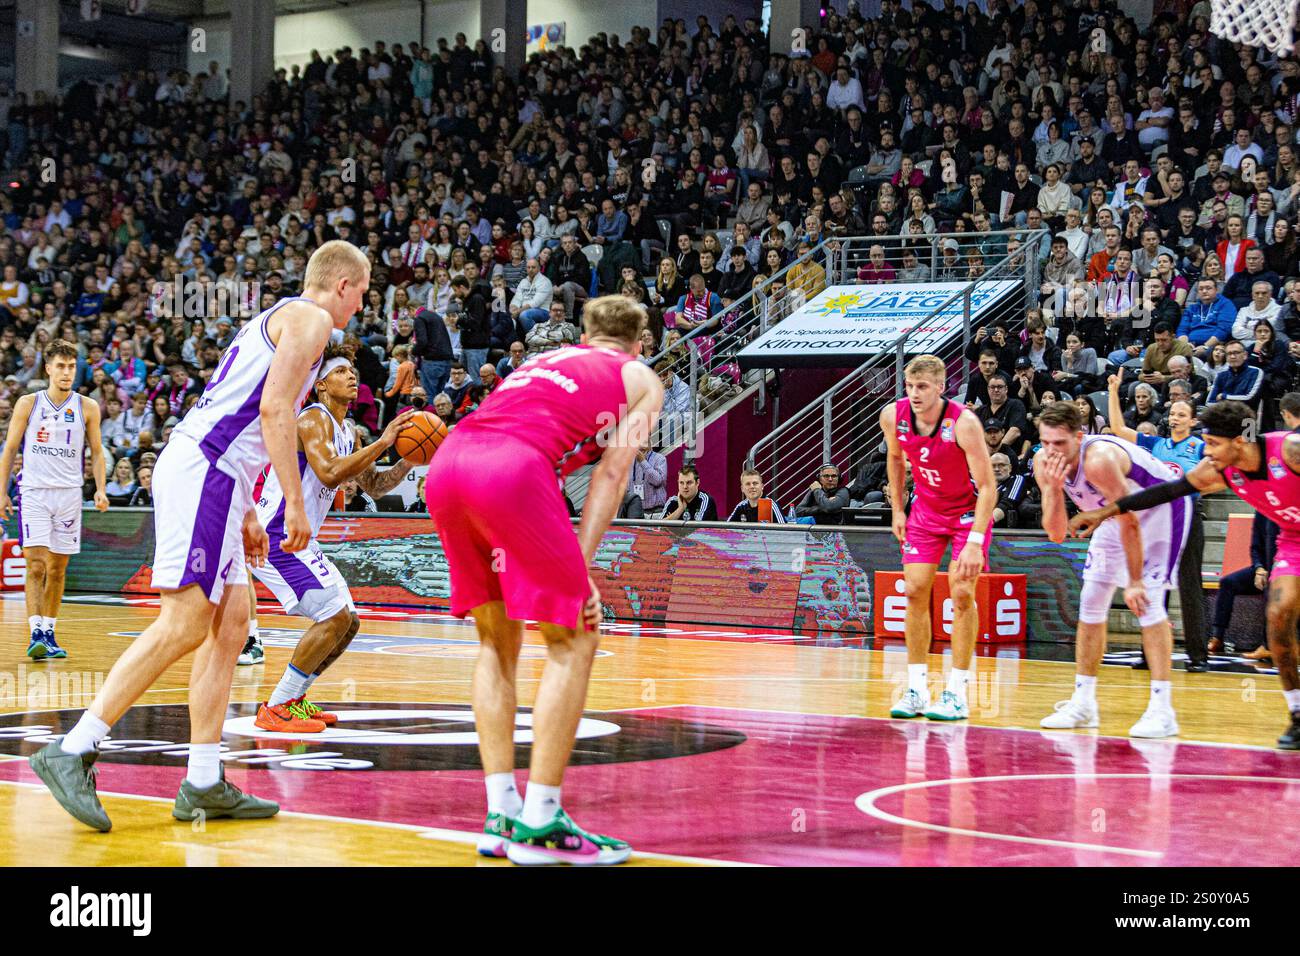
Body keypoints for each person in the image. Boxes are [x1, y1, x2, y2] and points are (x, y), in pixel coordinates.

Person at [28, 240, 367, 832]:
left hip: (221, 475)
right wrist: (290, 499)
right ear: (342, 284)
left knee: (232, 627)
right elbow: (273, 411)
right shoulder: (312, 319)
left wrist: (245, 512)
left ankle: (205, 780)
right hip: (206, 468)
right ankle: (73, 748)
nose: (362, 304)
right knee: (184, 623)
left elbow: (239, 410)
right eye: (362, 292)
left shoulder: (279, 316)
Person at [425, 295, 662, 864]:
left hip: (450, 463)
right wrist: (581, 565)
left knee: (496, 640)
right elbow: (612, 473)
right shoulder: (640, 376)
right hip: (512, 468)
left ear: (585, 334)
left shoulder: (545, 360)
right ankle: (542, 823)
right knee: (576, 636)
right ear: (639, 341)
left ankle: (502, 811)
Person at [1070, 401, 1300, 749]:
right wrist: (1106, 512)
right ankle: (1297, 714)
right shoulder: (1218, 470)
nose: (1206, 452)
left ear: (1239, 441)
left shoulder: (1290, 451)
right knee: (1278, 618)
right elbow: (1168, 491)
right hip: (1293, 541)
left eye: (1213, 444)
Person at [250, 346, 416, 732]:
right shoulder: (313, 418)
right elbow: (327, 472)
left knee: (349, 622)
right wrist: (385, 441)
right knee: (333, 616)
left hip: (300, 537)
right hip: (276, 532)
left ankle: (295, 698)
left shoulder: (348, 431)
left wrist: (411, 458)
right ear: (321, 384)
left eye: (353, 372)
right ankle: (276, 707)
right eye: (342, 371)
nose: (352, 376)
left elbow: (374, 485)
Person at [1034, 400, 1190, 738]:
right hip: (1110, 515)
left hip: (1159, 509)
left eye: (1059, 443)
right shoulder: (1043, 462)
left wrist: (1133, 580)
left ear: (1079, 436)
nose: (1051, 451)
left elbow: (1130, 519)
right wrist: (1052, 488)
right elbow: (1058, 533)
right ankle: (1084, 703)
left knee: (1146, 603)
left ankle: (1163, 710)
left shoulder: (1099, 460)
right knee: (1091, 599)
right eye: (1045, 443)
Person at [880, 354, 998, 721]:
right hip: (927, 511)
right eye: (910, 386)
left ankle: (957, 691)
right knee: (914, 590)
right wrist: (898, 510)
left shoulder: (963, 423)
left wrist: (977, 540)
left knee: (962, 593)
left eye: (923, 387)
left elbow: (989, 487)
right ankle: (916, 688)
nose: (914, 394)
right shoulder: (893, 416)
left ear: (940, 387)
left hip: (966, 514)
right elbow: (896, 462)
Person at [0, 340, 109, 659]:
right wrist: (2, 492)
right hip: (34, 491)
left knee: (59, 568)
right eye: (60, 366)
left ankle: (49, 631)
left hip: (70, 494)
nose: (66, 372)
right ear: (48, 368)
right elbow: (9, 450)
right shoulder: (28, 403)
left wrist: (100, 488)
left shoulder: (87, 406)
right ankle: (35, 632)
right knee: (35, 564)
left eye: (71, 367)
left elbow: (97, 451)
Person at [1105, 374, 1209, 671]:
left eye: (1181, 414)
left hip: (1188, 519)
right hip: (1159, 522)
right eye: (1172, 413)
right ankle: (1150, 652)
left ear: (1192, 421)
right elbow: (1118, 429)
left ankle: (1197, 656)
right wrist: (1113, 391)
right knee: (1155, 586)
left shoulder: (1199, 447)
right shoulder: (1157, 444)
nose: (1175, 418)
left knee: (1190, 586)